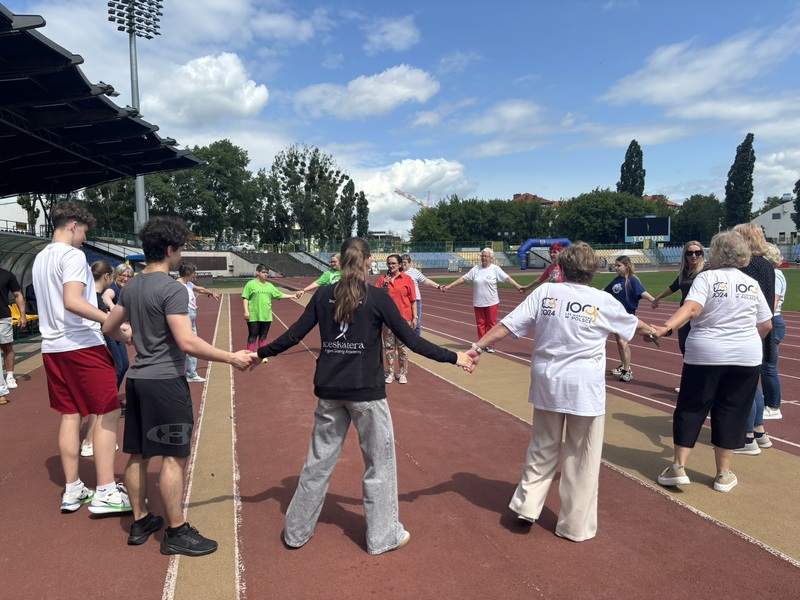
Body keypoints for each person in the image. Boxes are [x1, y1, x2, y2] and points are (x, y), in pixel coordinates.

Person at [248, 237, 473, 554]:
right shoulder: (378, 297)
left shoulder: (323, 295)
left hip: (330, 391)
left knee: (317, 463)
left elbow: (294, 335)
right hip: (367, 394)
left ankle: (296, 532)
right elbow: (411, 340)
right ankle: (382, 537)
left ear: (340, 261)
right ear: (369, 262)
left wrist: (260, 353)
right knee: (379, 465)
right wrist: (455, 357)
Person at [465, 242, 653, 541]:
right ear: (593, 270)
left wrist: (477, 347)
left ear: (562, 267)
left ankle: (527, 505)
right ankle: (575, 526)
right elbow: (635, 326)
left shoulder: (546, 293)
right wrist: (657, 330)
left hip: (548, 382)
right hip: (584, 387)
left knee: (542, 445)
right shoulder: (602, 300)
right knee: (582, 457)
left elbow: (508, 325)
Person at [103, 216, 253, 555]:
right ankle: (176, 531)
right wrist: (231, 357)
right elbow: (186, 342)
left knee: (139, 453)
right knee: (173, 456)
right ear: (170, 249)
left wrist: (130, 338)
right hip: (165, 382)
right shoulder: (171, 288)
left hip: (138, 380)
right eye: (181, 248)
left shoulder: (132, 286)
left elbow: (109, 327)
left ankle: (140, 521)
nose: (181, 254)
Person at [649, 230, 772, 493]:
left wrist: (666, 327)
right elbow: (765, 324)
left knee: (692, 407)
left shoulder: (706, 278)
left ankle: (678, 467)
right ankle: (723, 474)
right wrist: (744, 342)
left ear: (715, 253)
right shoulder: (751, 283)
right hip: (746, 357)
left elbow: (692, 308)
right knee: (732, 411)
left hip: (705, 353)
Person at [32, 201, 131, 514]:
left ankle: (73, 488)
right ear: (73, 225)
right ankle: (106, 490)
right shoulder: (72, 255)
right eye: (84, 232)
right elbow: (73, 301)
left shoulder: (40, 258)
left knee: (70, 413)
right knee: (108, 411)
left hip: (53, 347)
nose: (84, 239)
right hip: (81, 344)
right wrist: (111, 321)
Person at [735, 242, 787, 455]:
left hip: (766, 323)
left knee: (760, 373)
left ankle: (756, 426)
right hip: (765, 323)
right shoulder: (767, 273)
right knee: (754, 376)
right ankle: (757, 431)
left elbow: (770, 306)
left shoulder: (774, 275)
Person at [443, 248, 523, 352]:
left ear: (491, 258)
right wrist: (450, 286)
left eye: (486, 256)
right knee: (480, 324)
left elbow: (507, 278)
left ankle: (490, 345)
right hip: (478, 302)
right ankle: (481, 344)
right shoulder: (476, 269)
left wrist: (517, 285)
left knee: (491, 324)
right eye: (482, 256)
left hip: (491, 301)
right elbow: (464, 278)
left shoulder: (495, 269)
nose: (484, 258)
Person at [80, 261, 121, 457]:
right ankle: (90, 441)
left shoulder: (86, 298)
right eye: (112, 277)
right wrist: (127, 333)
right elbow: (107, 327)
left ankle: (91, 439)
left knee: (82, 406)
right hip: (95, 350)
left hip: (86, 349)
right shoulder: (95, 300)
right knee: (102, 398)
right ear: (106, 276)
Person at [604, 256, 654, 382]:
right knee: (619, 342)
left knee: (622, 342)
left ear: (626, 266)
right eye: (615, 265)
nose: (616, 268)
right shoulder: (615, 281)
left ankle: (627, 371)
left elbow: (642, 292)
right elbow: (605, 292)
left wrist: (653, 300)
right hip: (616, 316)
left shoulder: (632, 280)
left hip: (627, 316)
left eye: (618, 265)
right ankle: (623, 366)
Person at [177, 262, 221, 383]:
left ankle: (191, 373)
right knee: (183, 347)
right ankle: (180, 373)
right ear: (188, 273)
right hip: (184, 318)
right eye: (193, 273)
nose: (195, 275)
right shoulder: (177, 285)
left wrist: (211, 293)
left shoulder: (188, 284)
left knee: (193, 347)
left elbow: (200, 289)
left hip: (191, 318)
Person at [376, 254, 417, 383]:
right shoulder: (382, 279)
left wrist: (415, 317)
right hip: (387, 320)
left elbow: (413, 300)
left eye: (394, 263)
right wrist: (384, 285)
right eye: (389, 263)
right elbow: (376, 297)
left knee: (403, 348)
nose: (391, 266)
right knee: (389, 347)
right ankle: (391, 373)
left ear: (400, 265)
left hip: (403, 319)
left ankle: (403, 373)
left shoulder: (407, 279)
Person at [242, 264, 297, 353]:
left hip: (266, 315)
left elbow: (279, 294)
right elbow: (245, 298)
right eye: (263, 272)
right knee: (253, 335)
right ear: (257, 272)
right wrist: (246, 311)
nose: (265, 274)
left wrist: (292, 296)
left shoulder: (270, 286)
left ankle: (262, 354)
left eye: (267, 273)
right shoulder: (250, 284)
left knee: (263, 336)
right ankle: (249, 354)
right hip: (253, 315)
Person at [101, 263, 134, 398]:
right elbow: (105, 296)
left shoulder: (126, 291)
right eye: (122, 275)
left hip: (118, 332)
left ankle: (112, 396)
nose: (125, 279)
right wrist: (112, 307)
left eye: (128, 276)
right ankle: (109, 398)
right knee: (118, 366)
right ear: (116, 276)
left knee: (125, 364)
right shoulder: (113, 288)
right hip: (110, 333)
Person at [400, 254, 444, 336]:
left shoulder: (415, 272)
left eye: (405, 262)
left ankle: (416, 342)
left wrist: (438, 286)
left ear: (410, 263)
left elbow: (426, 281)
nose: (403, 264)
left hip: (416, 300)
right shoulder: (398, 272)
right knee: (403, 323)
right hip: (403, 300)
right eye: (401, 262)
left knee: (416, 324)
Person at [0, 266, 26, 390]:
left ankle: (10, 376)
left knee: (6, 346)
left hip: (3, 317)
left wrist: (22, 316)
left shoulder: (7, 275)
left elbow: (18, 295)